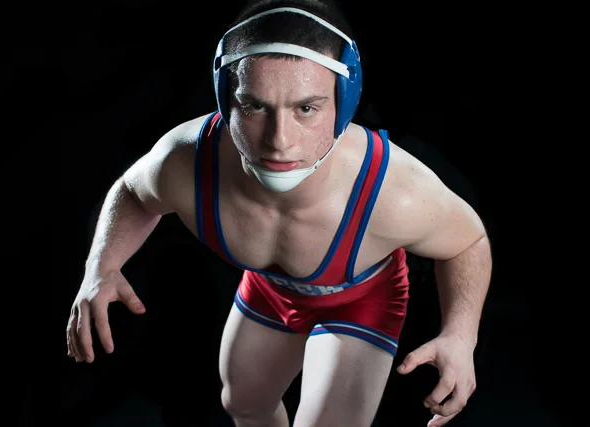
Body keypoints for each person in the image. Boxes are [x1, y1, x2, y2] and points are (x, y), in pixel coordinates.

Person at [66, 1, 492, 426]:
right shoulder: (184, 162)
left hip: (362, 300)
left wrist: (460, 336)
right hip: (271, 289)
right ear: (226, 102)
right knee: (244, 405)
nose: (279, 141)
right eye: (255, 106)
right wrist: (101, 266)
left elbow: (468, 242)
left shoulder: (393, 191)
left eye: (306, 108)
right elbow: (133, 192)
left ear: (344, 105)